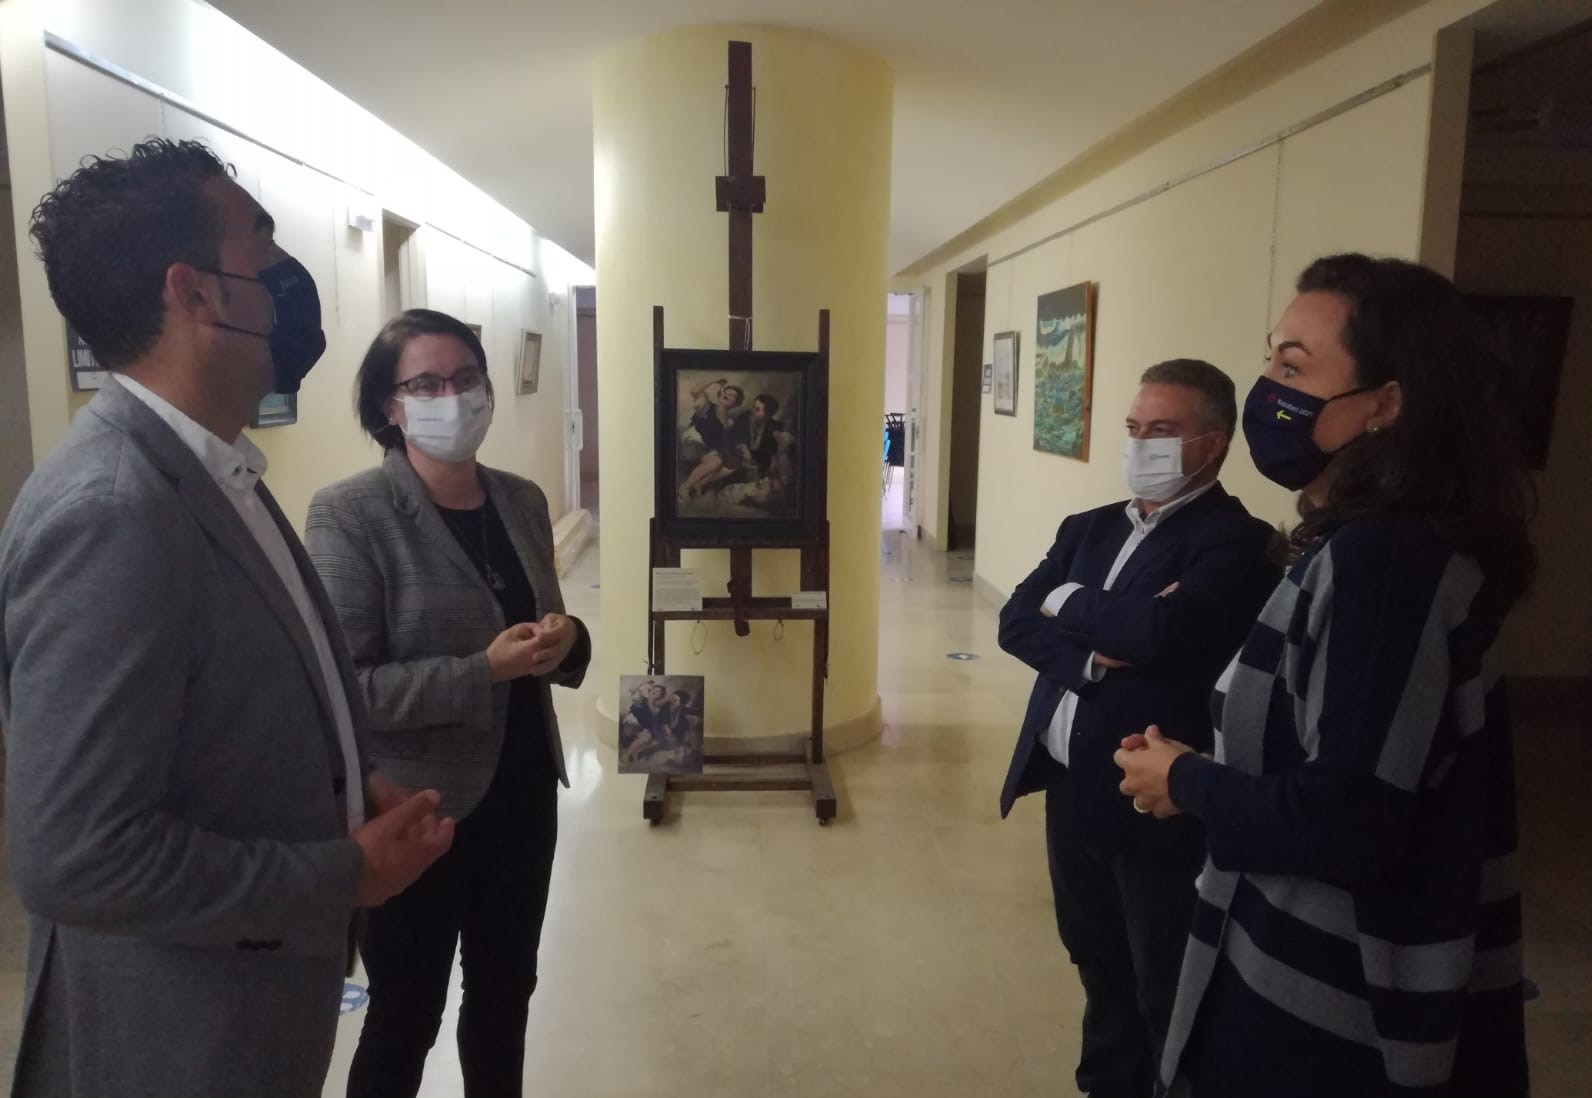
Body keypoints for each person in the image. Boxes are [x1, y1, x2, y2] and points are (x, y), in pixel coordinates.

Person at [0, 139, 453, 1098]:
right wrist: (340, 874)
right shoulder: (113, 510)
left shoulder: (211, 469)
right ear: (196, 292)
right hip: (180, 1040)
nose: (288, 275)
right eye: (263, 245)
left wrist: (344, 785)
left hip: (250, 1014)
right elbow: (77, 857)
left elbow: (227, 706)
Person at [1116, 255, 1534, 1098]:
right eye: (1271, 360)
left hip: (1332, 1003)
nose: (1268, 390)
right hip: (1290, 953)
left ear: (1386, 403)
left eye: (1295, 368)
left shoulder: (1389, 561)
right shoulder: (1356, 542)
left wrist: (1185, 781)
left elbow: (1349, 820)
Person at [306, 308, 591, 1098]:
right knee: (407, 1011)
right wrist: (481, 672)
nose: (452, 398)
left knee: (506, 993)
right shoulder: (351, 513)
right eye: (426, 384)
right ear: (389, 406)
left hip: (523, 791)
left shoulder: (520, 500)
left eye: (466, 379)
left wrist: (567, 641)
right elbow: (349, 689)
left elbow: (544, 621)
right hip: (414, 804)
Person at [997, 359, 1280, 1098]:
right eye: (1133, 428)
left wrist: (1066, 600)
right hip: (1070, 788)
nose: (1140, 444)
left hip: (1150, 798)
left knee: (1163, 976)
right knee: (1094, 959)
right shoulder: (1087, 528)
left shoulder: (1237, 542)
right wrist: (1092, 653)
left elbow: (1159, 632)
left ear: (1212, 444)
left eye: (1162, 430)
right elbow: (1015, 620)